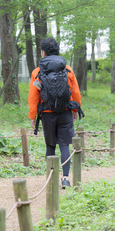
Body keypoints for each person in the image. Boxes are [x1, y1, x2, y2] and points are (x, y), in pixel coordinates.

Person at [28, 38, 82, 188]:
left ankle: (51, 180)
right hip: (65, 111)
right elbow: (75, 92)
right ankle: (65, 178)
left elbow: (33, 96)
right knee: (64, 145)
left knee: (50, 145)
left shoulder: (37, 72)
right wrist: (75, 108)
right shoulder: (67, 69)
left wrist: (33, 116)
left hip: (47, 112)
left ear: (43, 52)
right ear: (57, 51)